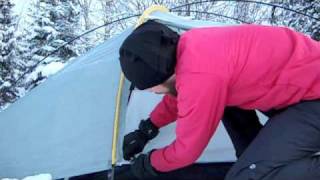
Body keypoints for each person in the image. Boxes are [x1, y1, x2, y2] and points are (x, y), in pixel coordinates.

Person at [118, 20, 320, 180]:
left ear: (158, 78)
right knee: (226, 106)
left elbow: (186, 152)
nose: (152, 92)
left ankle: (258, 168)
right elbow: (182, 95)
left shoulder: (200, 76)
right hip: (300, 86)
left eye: (149, 87)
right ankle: (254, 157)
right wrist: (148, 128)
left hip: (313, 100)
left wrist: (150, 163)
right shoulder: (191, 47)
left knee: (245, 176)